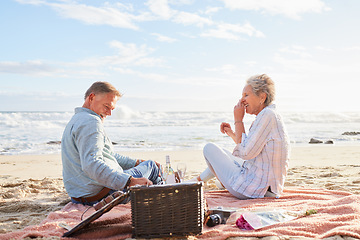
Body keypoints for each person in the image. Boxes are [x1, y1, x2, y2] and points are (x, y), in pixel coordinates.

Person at [61, 81, 162, 206]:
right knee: (152, 166)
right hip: (101, 195)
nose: (109, 113)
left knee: (145, 165)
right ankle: (164, 200)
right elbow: (91, 164)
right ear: (91, 97)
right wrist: (130, 181)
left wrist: (137, 162)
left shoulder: (76, 119)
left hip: (79, 195)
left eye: (112, 109)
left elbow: (108, 154)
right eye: (106, 106)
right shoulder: (91, 122)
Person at [193, 74, 290, 199]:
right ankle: (198, 180)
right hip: (265, 187)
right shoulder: (269, 115)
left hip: (255, 189)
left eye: (246, 95)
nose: (242, 100)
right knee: (224, 154)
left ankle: (200, 182)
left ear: (262, 97)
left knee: (209, 148)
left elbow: (245, 154)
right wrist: (232, 133)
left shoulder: (267, 115)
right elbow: (248, 147)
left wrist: (238, 120)